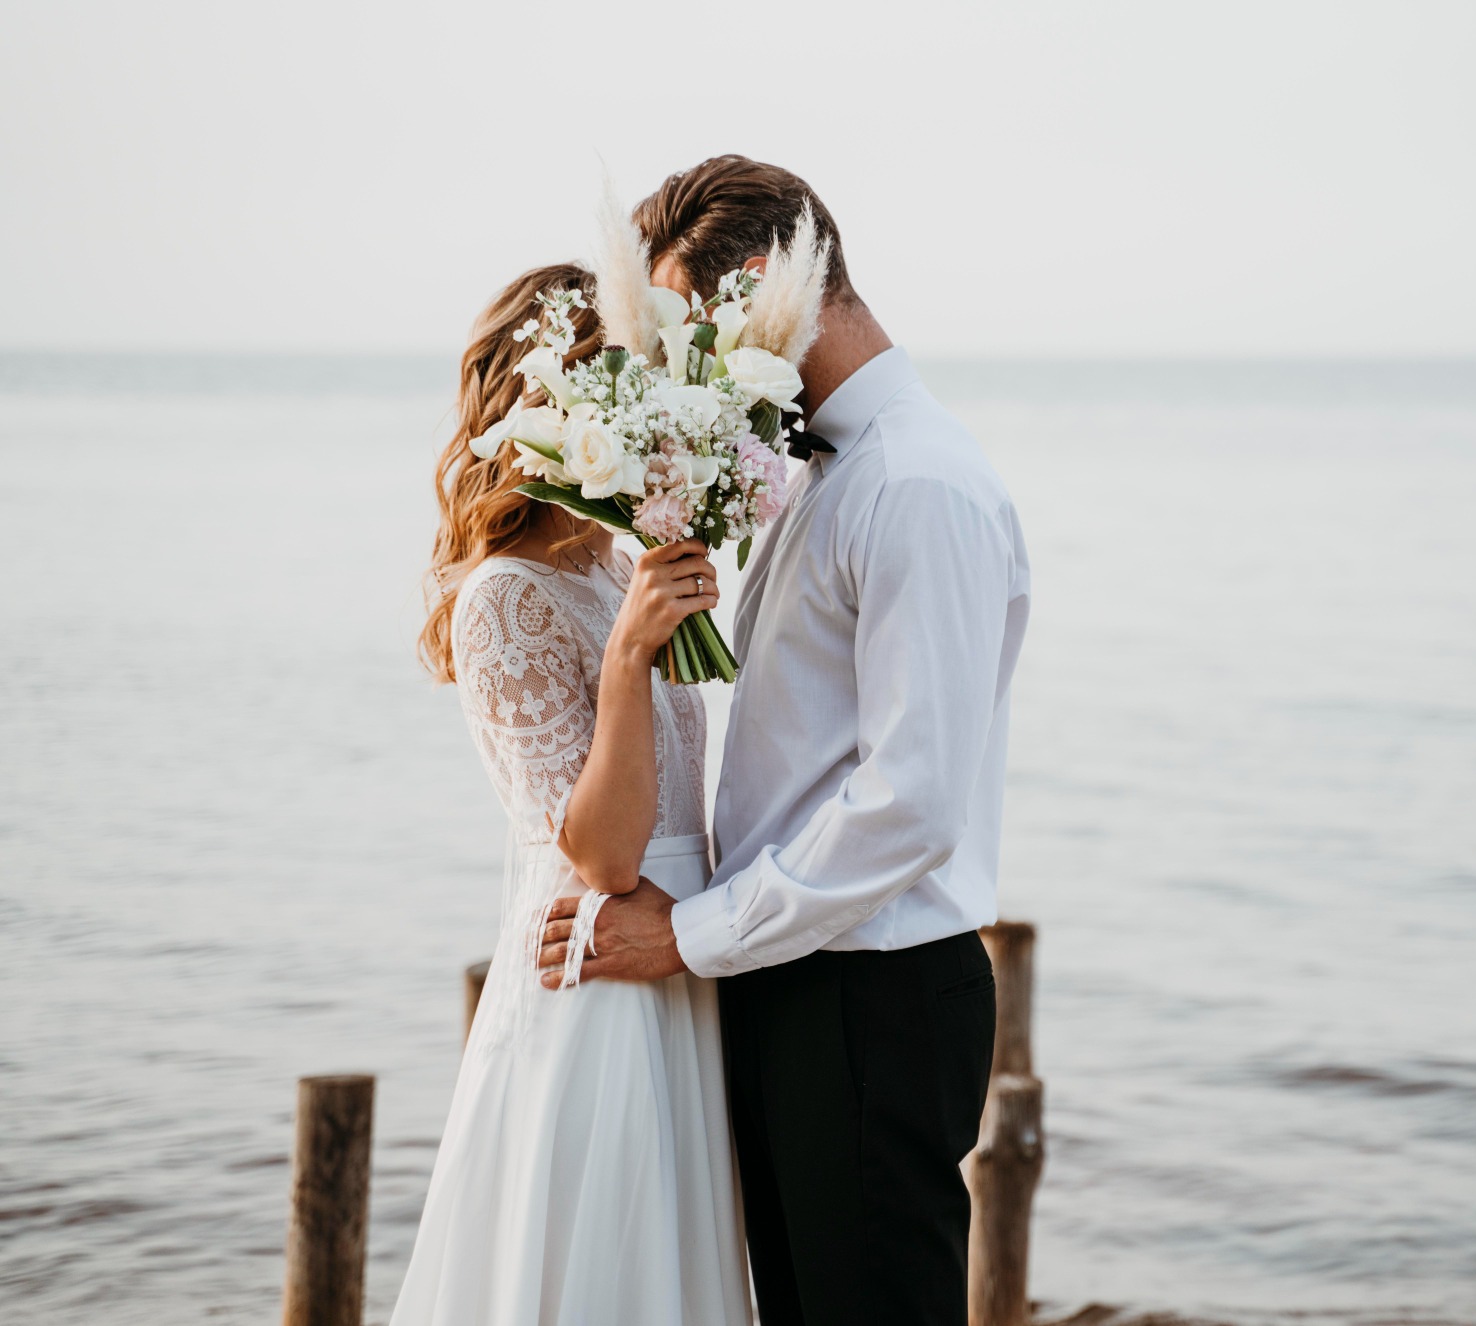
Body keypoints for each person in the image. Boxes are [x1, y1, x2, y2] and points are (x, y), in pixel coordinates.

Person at [535, 156, 1033, 1326]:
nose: (676, 366)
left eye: (683, 329)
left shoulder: (916, 484)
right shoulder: (819, 475)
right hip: (797, 980)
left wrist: (690, 936)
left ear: (763, 287)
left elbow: (909, 803)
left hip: (872, 996)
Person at [394, 264, 750, 1326]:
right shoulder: (503, 597)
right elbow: (600, 857)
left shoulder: (613, 561)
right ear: (539, 402)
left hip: (681, 947)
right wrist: (628, 657)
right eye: (611, 388)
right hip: (599, 968)